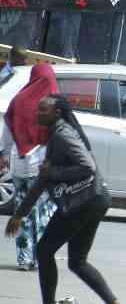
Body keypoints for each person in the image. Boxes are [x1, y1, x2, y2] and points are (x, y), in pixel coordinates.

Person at [5, 95, 119, 304]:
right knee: (77, 262)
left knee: (44, 250)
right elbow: (42, 179)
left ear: (56, 113)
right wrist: (20, 214)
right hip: (95, 199)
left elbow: (87, 166)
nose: (37, 113)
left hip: (84, 202)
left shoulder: (63, 134)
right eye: (38, 109)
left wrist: (54, 172)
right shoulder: (55, 133)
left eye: (43, 110)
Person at [0, 63, 58, 271]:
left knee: (22, 212)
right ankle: (42, 257)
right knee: (43, 214)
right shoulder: (52, 103)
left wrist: (4, 154)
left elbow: (7, 131)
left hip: (19, 165)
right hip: (41, 167)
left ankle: (25, 259)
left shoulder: (19, 100)